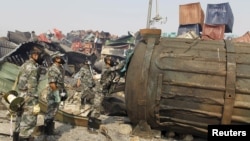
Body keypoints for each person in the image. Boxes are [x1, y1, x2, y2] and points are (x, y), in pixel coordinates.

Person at [14, 46, 43, 141]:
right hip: (29, 97)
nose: (40, 58)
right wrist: (35, 103)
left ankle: (16, 138)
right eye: (39, 55)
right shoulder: (33, 68)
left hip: (21, 95)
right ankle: (25, 137)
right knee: (29, 120)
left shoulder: (24, 65)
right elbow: (32, 87)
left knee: (19, 119)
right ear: (34, 55)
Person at [44, 51, 67, 136]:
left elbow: (60, 82)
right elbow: (52, 84)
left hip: (58, 92)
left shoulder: (60, 68)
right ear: (56, 59)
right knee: (50, 112)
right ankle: (47, 132)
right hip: (53, 94)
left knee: (54, 112)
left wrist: (63, 92)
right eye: (59, 57)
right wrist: (57, 95)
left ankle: (50, 130)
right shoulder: (53, 69)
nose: (62, 59)